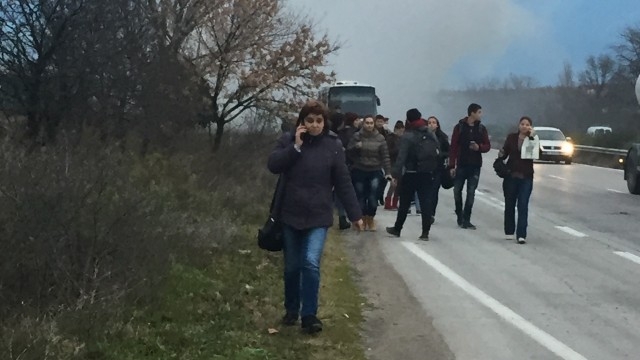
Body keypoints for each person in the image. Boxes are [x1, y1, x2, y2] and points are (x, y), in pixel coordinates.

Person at [267, 100, 364, 334]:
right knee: (292, 267)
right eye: (309, 120)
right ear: (302, 122)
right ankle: (292, 309)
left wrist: (355, 214)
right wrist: (296, 147)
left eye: (318, 121)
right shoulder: (289, 140)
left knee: (310, 263)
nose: (314, 125)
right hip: (290, 215)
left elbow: (343, 181)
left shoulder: (333, 145)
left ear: (324, 122)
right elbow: (273, 165)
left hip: (318, 216)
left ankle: (309, 315)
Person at [386, 108, 440, 240]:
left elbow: (401, 158)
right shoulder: (430, 133)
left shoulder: (408, 135)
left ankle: (397, 229)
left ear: (408, 120)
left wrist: (394, 175)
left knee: (404, 202)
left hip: (411, 173)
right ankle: (425, 233)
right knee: (425, 202)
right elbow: (436, 150)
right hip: (427, 172)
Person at [448, 103, 491, 229]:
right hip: (461, 164)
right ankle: (459, 213)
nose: (480, 115)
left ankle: (466, 218)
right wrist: (452, 165)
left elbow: (487, 145)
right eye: (479, 112)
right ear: (472, 113)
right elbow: (454, 147)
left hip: (475, 165)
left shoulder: (481, 129)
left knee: (471, 192)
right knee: (457, 191)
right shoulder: (459, 127)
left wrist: (479, 147)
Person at [347, 115, 392, 231]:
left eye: (371, 123)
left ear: (374, 124)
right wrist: (356, 147)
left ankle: (371, 218)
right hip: (359, 170)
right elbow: (348, 153)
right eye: (367, 123)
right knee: (360, 196)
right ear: (363, 124)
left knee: (373, 196)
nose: (369, 125)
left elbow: (385, 156)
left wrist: (388, 172)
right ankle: (361, 219)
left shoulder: (380, 138)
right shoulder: (357, 136)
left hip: (375, 170)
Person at [499, 116, 536, 244]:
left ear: (530, 127)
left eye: (527, 124)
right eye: (522, 124)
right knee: (510, 204)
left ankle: (521, 234)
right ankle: (509, 230)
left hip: (526, 176)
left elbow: (535, 155)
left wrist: (531, 138)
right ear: (519, 125)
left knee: (523, 205)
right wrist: (501, 154)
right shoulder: (511, 138)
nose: (524, 126)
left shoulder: (533, 139)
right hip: (511, 175)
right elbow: (505, 153)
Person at [426, 116, 450, 224]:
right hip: (425, 168)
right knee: (426, 191)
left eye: (433, 122)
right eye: (429, 122)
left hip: (438, 168)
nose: (431, 124)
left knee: (434, 191)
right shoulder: (423, 136)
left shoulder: (442, 137)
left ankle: (431, 213)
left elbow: (449, 152)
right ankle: (425, 211)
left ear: (437, 125)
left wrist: (440, 154)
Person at [384, 121, 404, 210]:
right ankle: (388, 203)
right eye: (401, 131)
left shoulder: (402, 139)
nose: (401, 133)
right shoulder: (390, 138)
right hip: (392, 163)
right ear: (396, 129)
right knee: (393, 184)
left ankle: (395, 203)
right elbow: (387, 151)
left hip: (400, 164)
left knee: (399, 185)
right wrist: (397, 150)